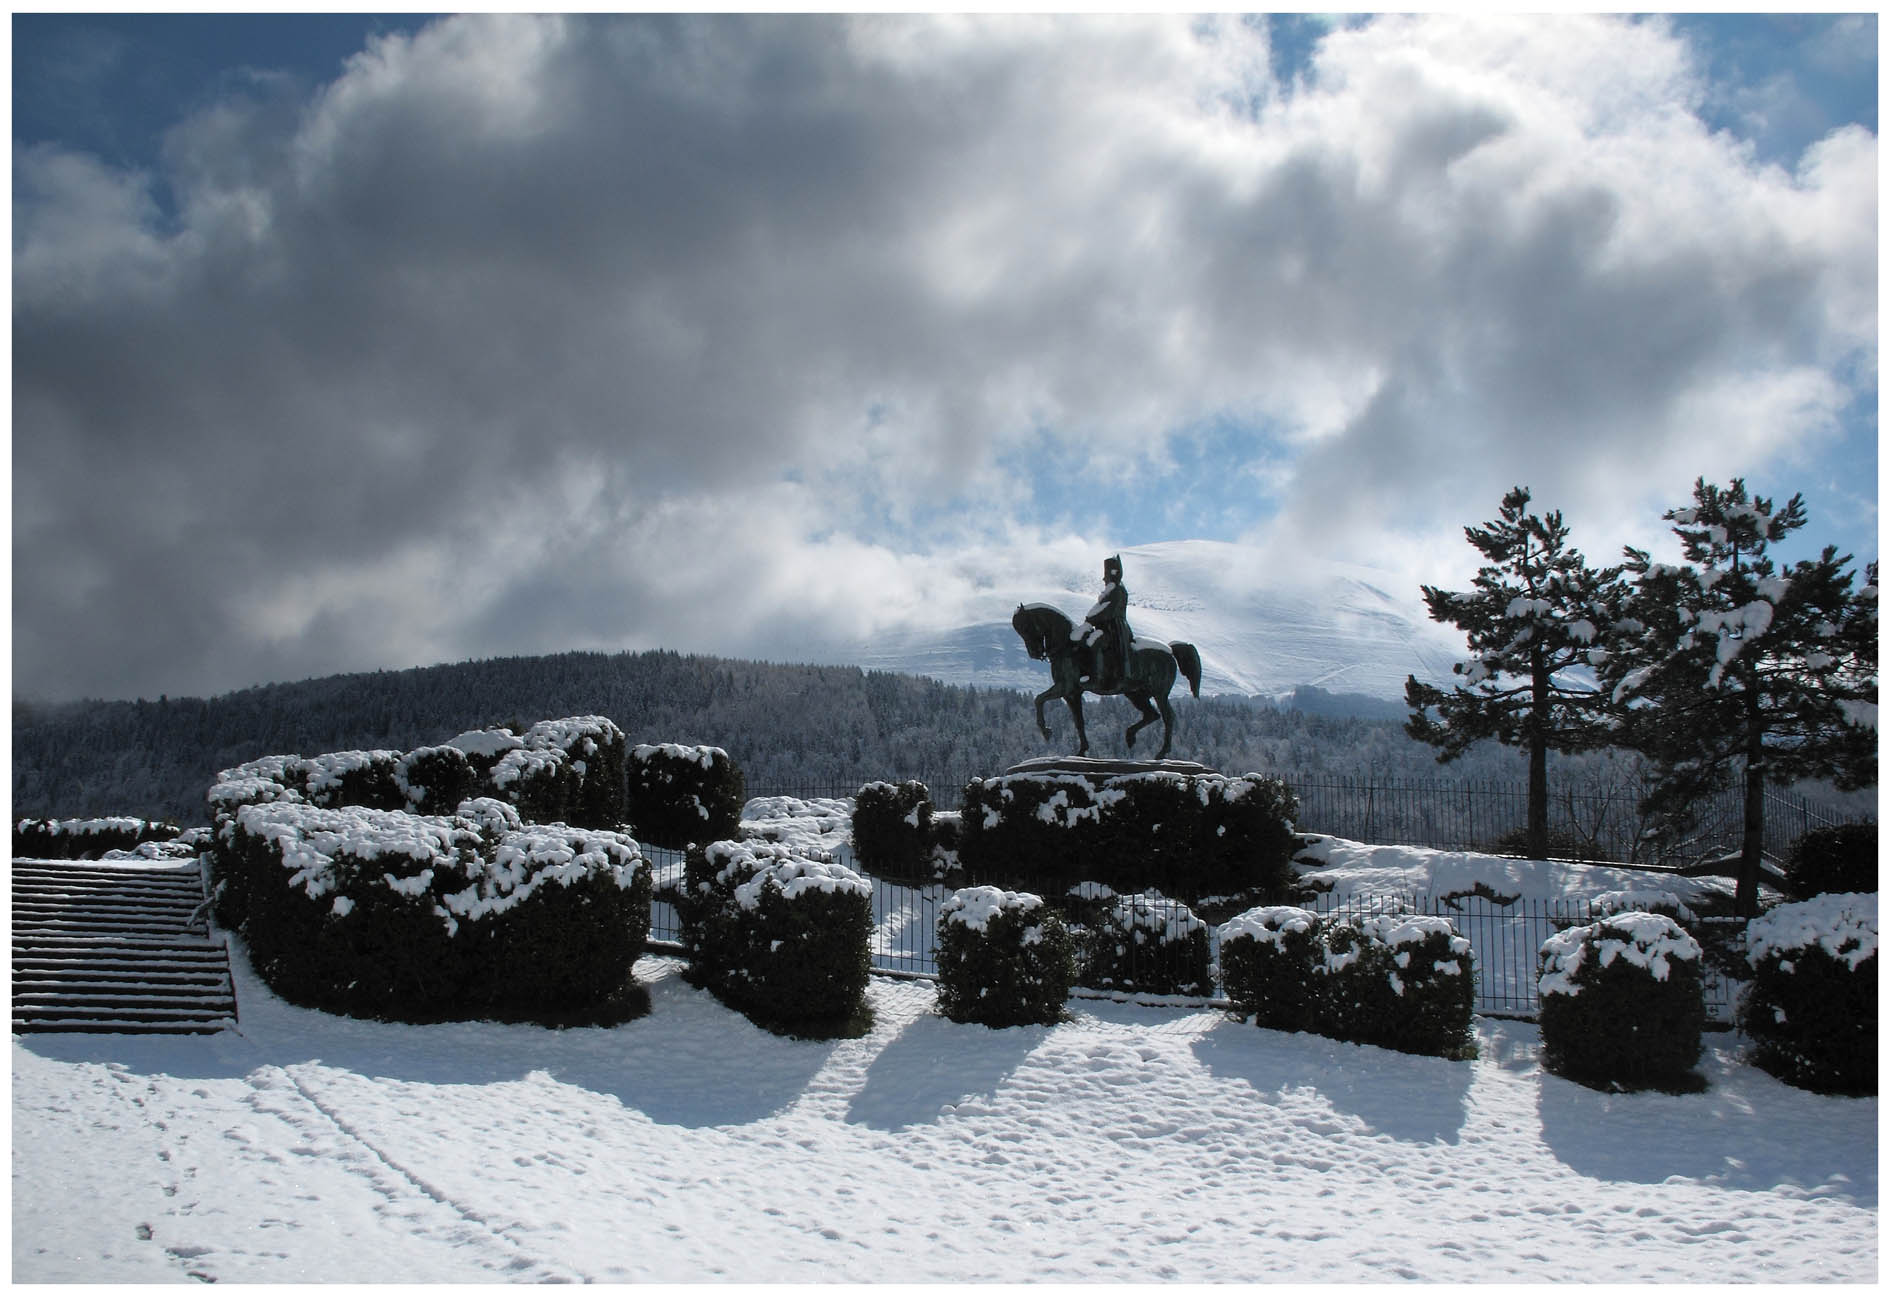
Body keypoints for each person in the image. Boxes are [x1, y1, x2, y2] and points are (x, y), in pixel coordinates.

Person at [1082, 554, 1133, 691]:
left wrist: (1091, 619)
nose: (1104, 578)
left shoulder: (1116, 590)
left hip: (1115, 628)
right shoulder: (1111, 590)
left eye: (1106, 574)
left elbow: (1108, 610)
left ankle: (1097, 677)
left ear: (1113, 573)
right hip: (1109, 626)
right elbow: (1100, 608)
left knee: (1096, 642)